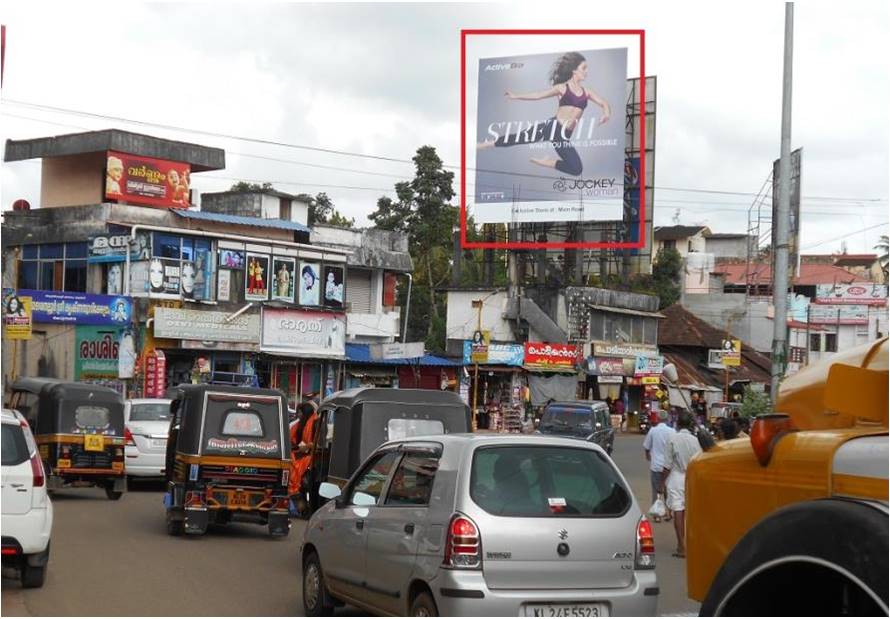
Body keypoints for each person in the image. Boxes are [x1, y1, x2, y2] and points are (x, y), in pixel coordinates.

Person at [477, 51, 611, 177]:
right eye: (584, 68)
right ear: (574, 70)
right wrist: (516, 96)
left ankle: (548, 162)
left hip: (563, 137)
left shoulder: (586, 92)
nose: (586, 72)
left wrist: (606, 113)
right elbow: (537, 95)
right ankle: (487, 144)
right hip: (552, 127)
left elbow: (604, 102)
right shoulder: (562, 88)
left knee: (577, 169)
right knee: (519, 137)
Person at [661, 413, 703, 558]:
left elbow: (666, 465)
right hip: (692, 478)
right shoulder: (696, 440)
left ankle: (681, 546)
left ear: (678, 424)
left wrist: (661, 484)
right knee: (690, 512)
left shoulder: (672, 439)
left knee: (678, 511)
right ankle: (692, 544)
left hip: (677, 477)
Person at [642, 409, 675, 523]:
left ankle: (657, 515)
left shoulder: (653, 430)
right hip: (668, 466)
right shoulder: (672, 431)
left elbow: (646, 446)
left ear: (659, 419)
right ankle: (669, 512)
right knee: (668, 489)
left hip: (656, 465)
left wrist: (648, 456)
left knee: (656, 490)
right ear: (667, 419)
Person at [289, 401, 319, 512]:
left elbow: (317, 442)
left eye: (300, 412)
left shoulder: (316, 422)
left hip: (311, 456)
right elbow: (291, 439)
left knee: (295, 469)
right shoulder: (298, 425)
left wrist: (307, 446)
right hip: (300, 454)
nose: (298, 415)